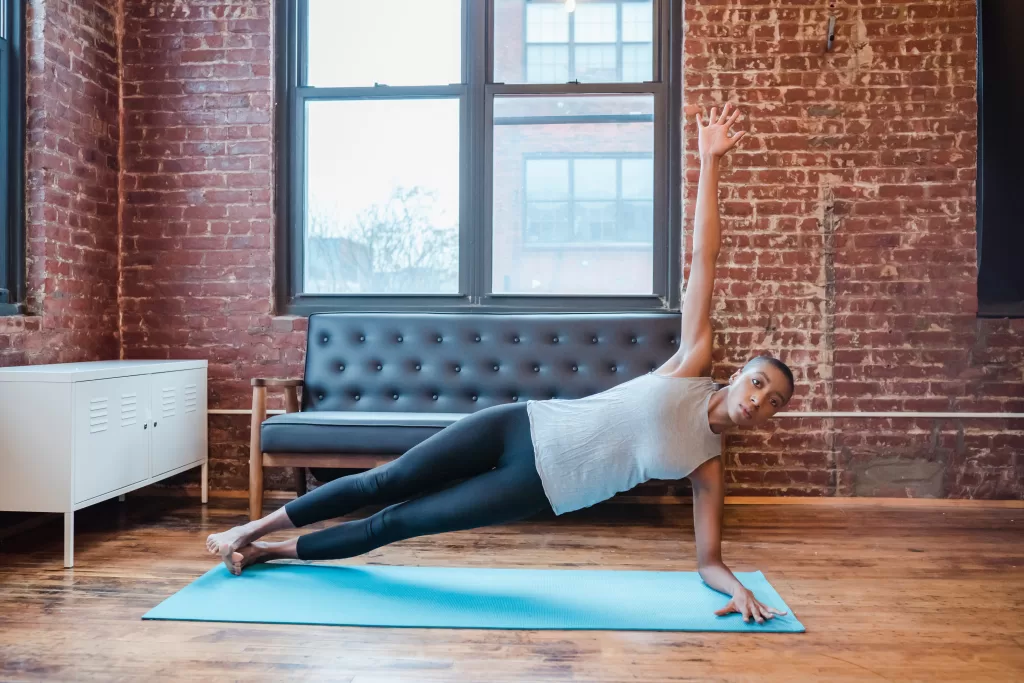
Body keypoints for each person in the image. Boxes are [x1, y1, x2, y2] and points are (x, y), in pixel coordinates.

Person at [206, 103, 793, 625]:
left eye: (772, 404)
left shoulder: (708, 466)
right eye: (759, 383)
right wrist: (712, 162)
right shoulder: (690, 364)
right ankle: (250, 529)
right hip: (523, 424)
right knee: (384, 482)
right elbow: (703, 259)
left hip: (535, 486)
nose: (758, 401)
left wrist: (736, 589)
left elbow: (709, 561)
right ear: (740, 371)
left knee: (397, 523)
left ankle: (270, 553)